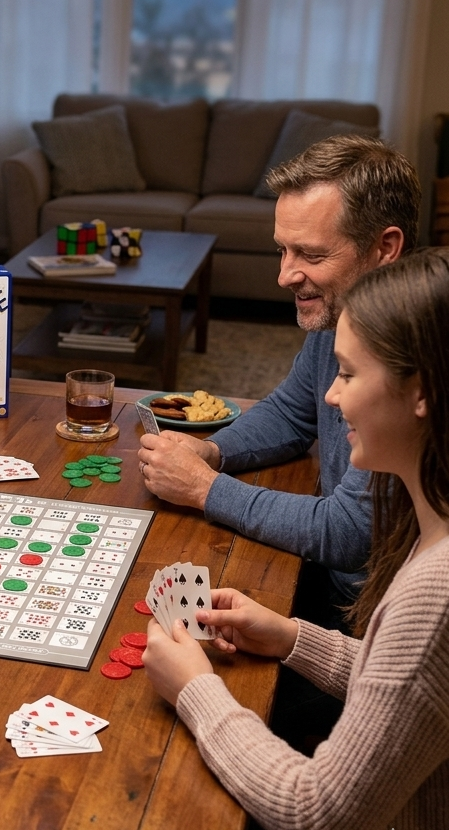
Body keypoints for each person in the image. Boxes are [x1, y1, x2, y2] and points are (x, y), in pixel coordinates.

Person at [142, 249, 449, 829]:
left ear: (422, 393)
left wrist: (195, 690)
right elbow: (408, 681)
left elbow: (315, 809)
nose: (331, 397)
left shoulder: (434, 593)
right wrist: (290, 637)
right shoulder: (432, 525)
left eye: (348, 374)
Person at [138, 135, 419, 611]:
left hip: (370, 616)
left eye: (311, 255)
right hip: (328, 581)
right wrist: (212, 451)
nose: (285, 275)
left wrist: (204, 487)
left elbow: (350, 533)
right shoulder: (346, 314)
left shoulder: (413, 355)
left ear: (385, 248)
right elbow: (290, 412)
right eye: (282, 250)